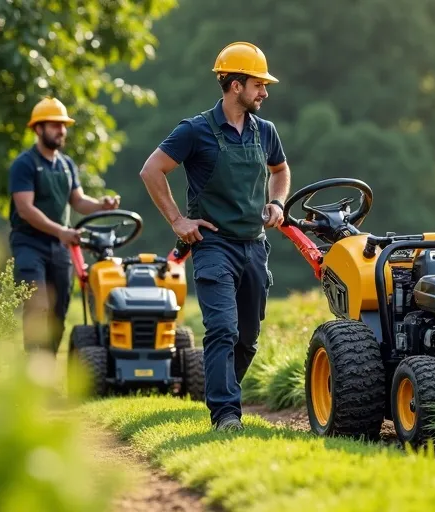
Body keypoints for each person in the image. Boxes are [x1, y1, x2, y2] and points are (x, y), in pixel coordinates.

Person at [138, 42, 290, 432]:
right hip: (213, 246)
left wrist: (276, 203)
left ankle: (221, 392)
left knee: (247, 338)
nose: (265, 92)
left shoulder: (266, 132)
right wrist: (177, 220)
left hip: (255, 246)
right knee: (223, 328)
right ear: (235, 85)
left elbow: (281, 171)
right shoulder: (195, 131)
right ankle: (226, 415)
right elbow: (152, 170)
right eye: (259, 84)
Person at [9, 96, 121, 356]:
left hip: (60, 246)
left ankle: (47, 368)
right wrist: (61, 231)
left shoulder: (67, 164)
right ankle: (32, 368)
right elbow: (25, 209)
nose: (61, 131)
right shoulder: (24, 165)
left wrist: (101, 205)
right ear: (38, 128)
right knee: (37, 305)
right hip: (29, 244)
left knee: (59, 311)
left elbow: (79, 201)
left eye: (63, 125)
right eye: (54, 125)